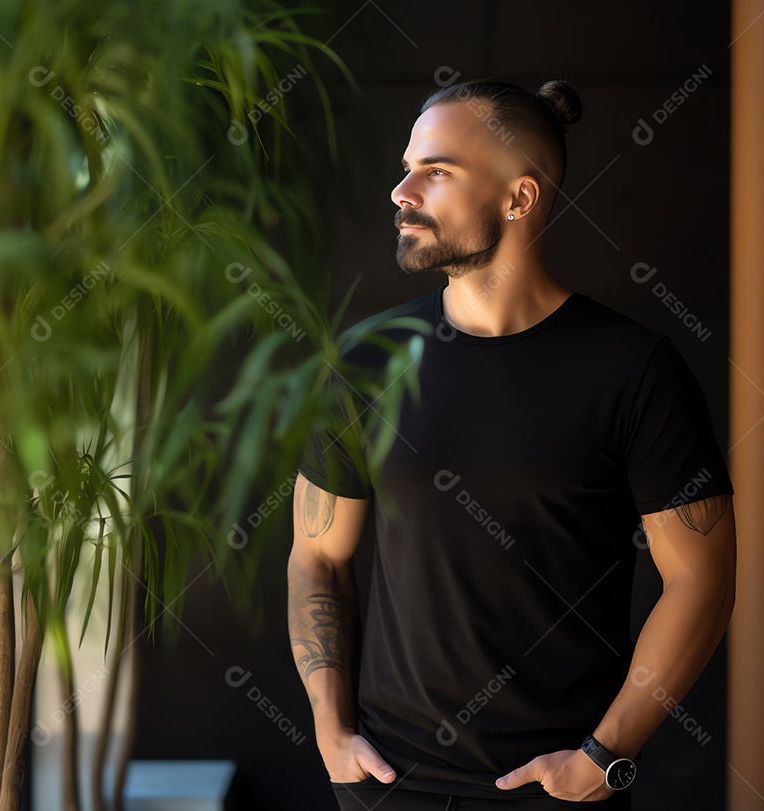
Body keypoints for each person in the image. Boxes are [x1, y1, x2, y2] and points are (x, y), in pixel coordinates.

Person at [287, 77, 736, 810]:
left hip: (557, 790)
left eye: (435, 171)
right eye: (406, 168)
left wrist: (605, 755)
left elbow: (703, 580)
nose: (401, 192)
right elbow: (318, 554)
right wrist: (332, 732)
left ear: (519, 198)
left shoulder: (633, 369)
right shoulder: (366, 362)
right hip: (387, 785)